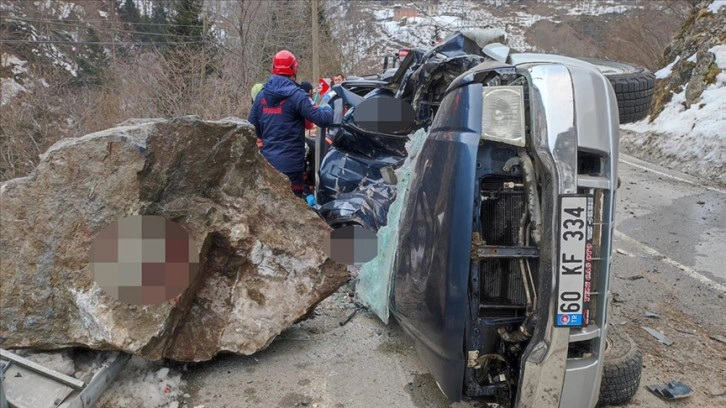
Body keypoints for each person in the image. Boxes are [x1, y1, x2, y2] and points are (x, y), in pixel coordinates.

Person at [248, 50, 334, 198]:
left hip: (268, 165)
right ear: (294, 68)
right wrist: (327, 105)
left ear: (273, 67)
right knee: (294, 207)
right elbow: (323, 118)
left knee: (272, 207)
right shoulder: (297, 95)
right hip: (292, 166)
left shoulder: (261, 95)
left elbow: (251, 126)